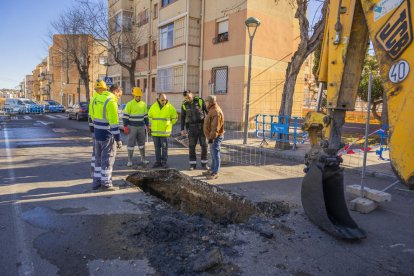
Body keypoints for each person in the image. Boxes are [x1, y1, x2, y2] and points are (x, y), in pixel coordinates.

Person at [90, 84, 123, 190]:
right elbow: (114, 124)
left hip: (97, 134)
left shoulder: (97, 98)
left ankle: (96, 182)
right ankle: (106, 183)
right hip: (107, 136)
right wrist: (118, 140)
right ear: (116, 91)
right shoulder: (111, 101)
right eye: (119, 95)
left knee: (98, 160)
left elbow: (92, 116)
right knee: (108, 159)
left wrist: (93, 132)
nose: (119, 97)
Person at [181, 90, 209, 170]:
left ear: (192, 95)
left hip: (202, 127)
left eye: (189, 97)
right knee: (192, 147)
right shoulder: (184, 104)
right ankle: (192, 165)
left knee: (204, 146)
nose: (188, 99)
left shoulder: (199, 101)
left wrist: (209, 125)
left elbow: (207, 112)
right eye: (186, 98)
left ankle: (204, 164)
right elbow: (182, 117)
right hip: (191, 128)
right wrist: (182, 129)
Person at [148, 93, 178, 168]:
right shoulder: (153, 107)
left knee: (164, 148)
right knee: (157, 148)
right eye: (162, 100)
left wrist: (169, 124)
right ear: (158, 99)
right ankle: (158, 162)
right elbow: (149, 116)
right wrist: (153, 124)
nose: (164, 101)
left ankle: (164, 162)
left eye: (165, 100)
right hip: (155, 132)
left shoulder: (170, 107)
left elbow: (175, 117)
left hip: (165, 132)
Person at [123, 87, 150, 167]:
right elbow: (125, 116)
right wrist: (125, 126)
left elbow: (145, 116)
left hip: (141, 127)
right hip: (132, 127)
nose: (138, 97)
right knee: (131, 144)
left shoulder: (143, 104)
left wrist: (147, 125)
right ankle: (129, 160)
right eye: (137, 96)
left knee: (142, 144)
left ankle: (143, 159)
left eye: (139, 96)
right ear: (134, 95)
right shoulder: (129, 104)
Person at [88, 80, 108, 177]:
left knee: (96, 152)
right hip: (97, 129)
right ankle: (96, 173)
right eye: (102, 89)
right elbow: (92, 116)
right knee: (97, 152)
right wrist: (93, 130)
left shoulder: (94, 98)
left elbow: (90, 115)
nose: (103, 91)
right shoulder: (97, 99)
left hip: (95, 128)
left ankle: (94, 171)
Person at [203, 95, 224, 179]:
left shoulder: (216, 111)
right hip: (212, 136)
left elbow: (215, 127)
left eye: (206, 102)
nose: (205, 104)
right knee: (212, 153)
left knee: (215, 154)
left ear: (211, 102)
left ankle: (215, 172)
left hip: (215, 137)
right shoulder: (211, 110)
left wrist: (211, 137)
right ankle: (212, 169)